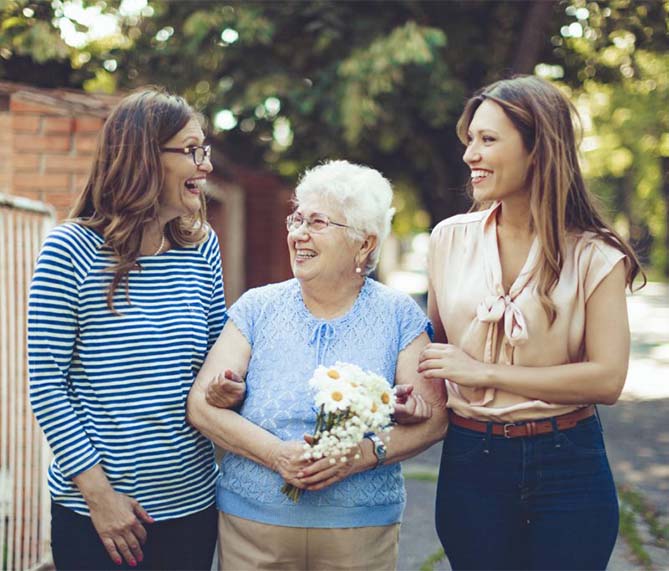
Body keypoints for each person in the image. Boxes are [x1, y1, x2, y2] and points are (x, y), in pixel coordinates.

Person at [419, 75, 645, 570]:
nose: (469, 155)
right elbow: (434, 352)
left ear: (537, 148)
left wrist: (487, 373)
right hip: (470, 462)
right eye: (470, 140)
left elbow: (607, 378)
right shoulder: (447, 240)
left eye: (488, 140)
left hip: (570, 464)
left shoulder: (595, 255)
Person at [187, 160, 448, 571]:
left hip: (360, 529)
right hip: (253, 526)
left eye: (318, 222)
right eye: (296, 219)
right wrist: (277, 455)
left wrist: (359, 455)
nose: (298, 234)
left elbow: (434, 419)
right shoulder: (257, 308)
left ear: (364, 244)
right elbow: (200, 405)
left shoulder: (399, 314)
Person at [28, 89, 225, 571]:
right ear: (143, 157)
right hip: (99, 517)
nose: (206, 166)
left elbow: (221, 364)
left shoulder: (201, 248)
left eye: (206, 150)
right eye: (192, 150)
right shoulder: (69, 250)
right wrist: (100, 499)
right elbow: (48, 385)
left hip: (193, 508)